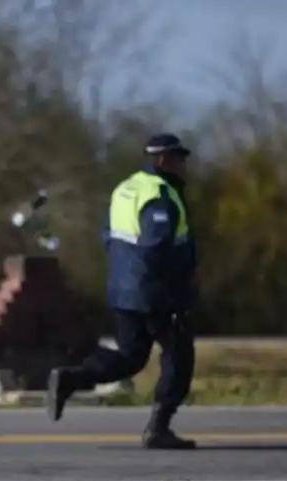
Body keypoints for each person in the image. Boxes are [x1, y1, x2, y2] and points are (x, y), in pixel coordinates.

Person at [46, 133, 198, 450]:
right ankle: (159, 427)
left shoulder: (126, 189)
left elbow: (108, 236)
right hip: (155, 292)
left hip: (122, 290)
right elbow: (156, 246)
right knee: (179, 354)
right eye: (179, 158)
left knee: (131, 357)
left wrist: (125, 277)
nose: (184, 164)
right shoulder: (159, 194)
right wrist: (174, 290)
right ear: (162, 160)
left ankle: (72, 378)